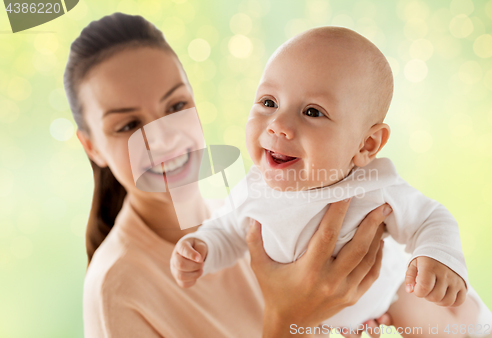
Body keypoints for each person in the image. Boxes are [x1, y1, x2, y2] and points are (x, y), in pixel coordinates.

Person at [64, 13, 393, 337]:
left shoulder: (253, 209)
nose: (164, 137)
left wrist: (360, 307)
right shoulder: (117, 289)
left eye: (176, 106)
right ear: (91, 146)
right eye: (129, 126)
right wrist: (292, 319)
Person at [172, 27, 492, 337]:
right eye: (269, 102)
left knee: (439, 315)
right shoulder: (253, 188)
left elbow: (430, 217)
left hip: (389, 294)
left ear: (366, 145)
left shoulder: (373, 186)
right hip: (303, 319)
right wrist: (203, 248)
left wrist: (438, 256)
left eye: (312, 112)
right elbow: (229, 231)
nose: (278, 125)